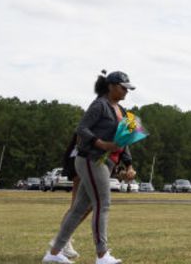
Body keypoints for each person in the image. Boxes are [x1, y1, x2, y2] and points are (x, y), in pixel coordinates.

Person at [44, 71, 138, 264]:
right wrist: (101, 143)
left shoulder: (122, 110)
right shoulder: (99, 105)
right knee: (103, 204)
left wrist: (128, 164)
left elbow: (124, 141)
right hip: (91, 159)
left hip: (106, 163)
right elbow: (81, 128)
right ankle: (102, 255)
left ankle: (53, 253)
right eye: (123, 88)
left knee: (79, 209)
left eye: (128, 89)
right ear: (111, 86)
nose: (126, 92)